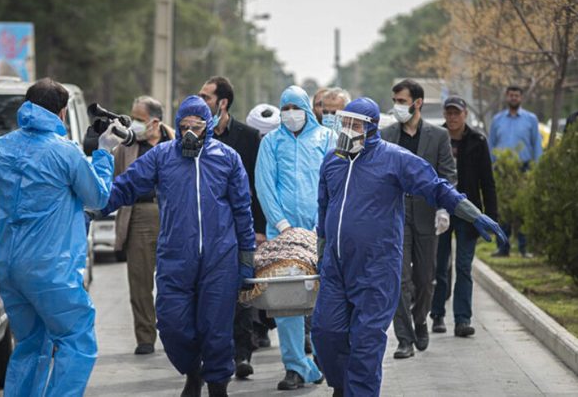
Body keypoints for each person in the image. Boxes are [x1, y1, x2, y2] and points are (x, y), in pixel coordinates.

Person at [312, 97, 507, 397]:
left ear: (371, 128)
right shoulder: (333, 161)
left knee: (365, 344)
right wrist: (322, 251)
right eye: (345, 123)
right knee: (325, 334)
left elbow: (436, 186)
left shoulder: (395, 159)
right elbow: (324, 207)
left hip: (376, 268)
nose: (347, 130)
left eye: (354, 125)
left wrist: (473, 213)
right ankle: (342, 386)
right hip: (336, 268)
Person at [0, 78, 118, 396]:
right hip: (53, 271)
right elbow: (98, 199)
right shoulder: (67, 153)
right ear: (61, 114)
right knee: (77, 342)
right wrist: (102, 155)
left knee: (30, 346)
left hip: (10, 269)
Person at [99, 95, 255, 397]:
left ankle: (218, 386)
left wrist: (246, 255)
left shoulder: (227, 158)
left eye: (197, 127)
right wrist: (94, 203)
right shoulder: (162, 156)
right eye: (184, 127)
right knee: (172, 325)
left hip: (219, 259)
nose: (189, 133)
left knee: (216, 329)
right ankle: (193, 371)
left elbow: (241, 208)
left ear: (207, 126)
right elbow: (126, 185)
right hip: (175, 257)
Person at [255, 85, 334, 390]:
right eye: (284, 108)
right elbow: (264, 185)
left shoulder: (325, 139)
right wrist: (282, 223)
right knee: (287, 303)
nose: (290, 114)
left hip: (319, 232)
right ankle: (295, 367)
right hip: (283, 234)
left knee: (325, 297)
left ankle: (323, 359)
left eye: (295, 107)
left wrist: (320, 223)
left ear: (306, 108)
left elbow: (331, 180)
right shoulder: (271, 142)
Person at [381, 79, 457, 359]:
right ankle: (404, 339)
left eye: (402, 101)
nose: (397, 106)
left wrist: (444, 208)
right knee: (399, 279)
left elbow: (447, 175)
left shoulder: (438, 136)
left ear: (418, 103)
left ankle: (421, 318)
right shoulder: (387, 135)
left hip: (427, 213)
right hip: (395, 216)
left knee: (426, 279)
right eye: (395, 101)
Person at [199, 76, 267, 379]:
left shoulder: (249, 138)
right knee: (208, 296)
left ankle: (242, 354)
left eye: (206, 97)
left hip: (242, 228)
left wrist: (259, 229)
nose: (200, 102)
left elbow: (258, 185)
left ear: (222, 102)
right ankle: (214, 354)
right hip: (206, 230)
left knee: (242, 292)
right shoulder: (195, 136)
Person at [430, 96, 498, 337]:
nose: (452, 117)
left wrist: (490, 216)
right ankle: (437, 314)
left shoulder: (478, 141)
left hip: (469, 213)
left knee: (463, 267)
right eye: (448, 113)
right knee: (439, 266)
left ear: (465, 114)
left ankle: (462, 319)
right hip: (440, 210)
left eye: (456, 113)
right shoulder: (436, 137)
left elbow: (487, 182)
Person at [111, 95, 174, 355]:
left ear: (155, 121)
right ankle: (145, 337)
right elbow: (116, 179)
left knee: (174, 279)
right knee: (140, 281)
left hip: (174, 213)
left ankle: (176, 333)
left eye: (139, 119)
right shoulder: (126, 145)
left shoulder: (176, 140)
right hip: (138, 213)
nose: (133, 123)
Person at [489, 85, 542, 257]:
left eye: (517, 95)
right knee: (503, 210)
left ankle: (524, 248)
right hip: (503, 169)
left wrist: (536, 168)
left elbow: (536, 144)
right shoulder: (497, 119)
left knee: (523, 209)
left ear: (521, 98)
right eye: (511, 95)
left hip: (524, 168)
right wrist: (491, 167)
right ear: (506, 96)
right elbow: (491, 145)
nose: (513, 98)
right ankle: (503, 248)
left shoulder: (531, 119)